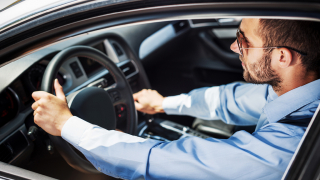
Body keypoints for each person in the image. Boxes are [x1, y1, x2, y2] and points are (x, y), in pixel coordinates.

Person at [31, 18, 320, 179]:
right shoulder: (298, 91)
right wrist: (164, 103)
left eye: (244, 42)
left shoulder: (287, 150)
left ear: (282, 57)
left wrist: (65, 125)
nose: (234, 46)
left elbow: (158, 161)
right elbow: (230, 100)